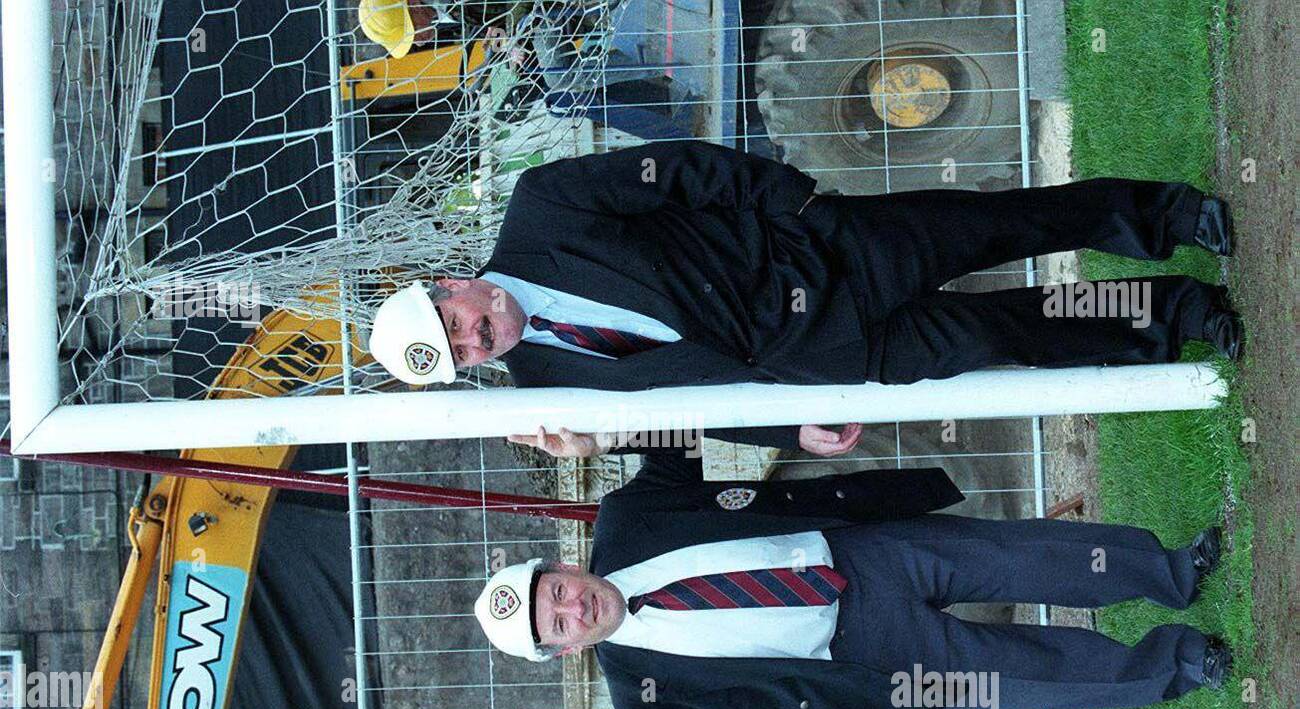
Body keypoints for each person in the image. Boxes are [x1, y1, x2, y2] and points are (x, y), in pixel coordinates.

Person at [368, 140, 1242, 455]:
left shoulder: (541, 209)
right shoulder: (549, 392)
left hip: (820, 252)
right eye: (465, 353)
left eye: (459, 321)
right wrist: (793, 428)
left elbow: (670, 170)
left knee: (1001, 225)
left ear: (452, 283)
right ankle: (1182, 318)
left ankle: (1171, 213)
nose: (479, 335)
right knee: (1008, 334)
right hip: (821, 362)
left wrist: (791, 198)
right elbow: (696, 405)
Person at [470, 447, 1231, 709]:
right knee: (1026, 670)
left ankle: (1170, 571)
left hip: (859, 552)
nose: (573, 609)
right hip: (867, 660)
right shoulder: (645, 702)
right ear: (562, 651)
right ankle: (1179, 666)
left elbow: (680, 438)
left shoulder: (627, 516)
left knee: (1023, 552)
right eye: (557, 627)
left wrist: (600, 434)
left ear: (562, 567)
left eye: (557, 593)